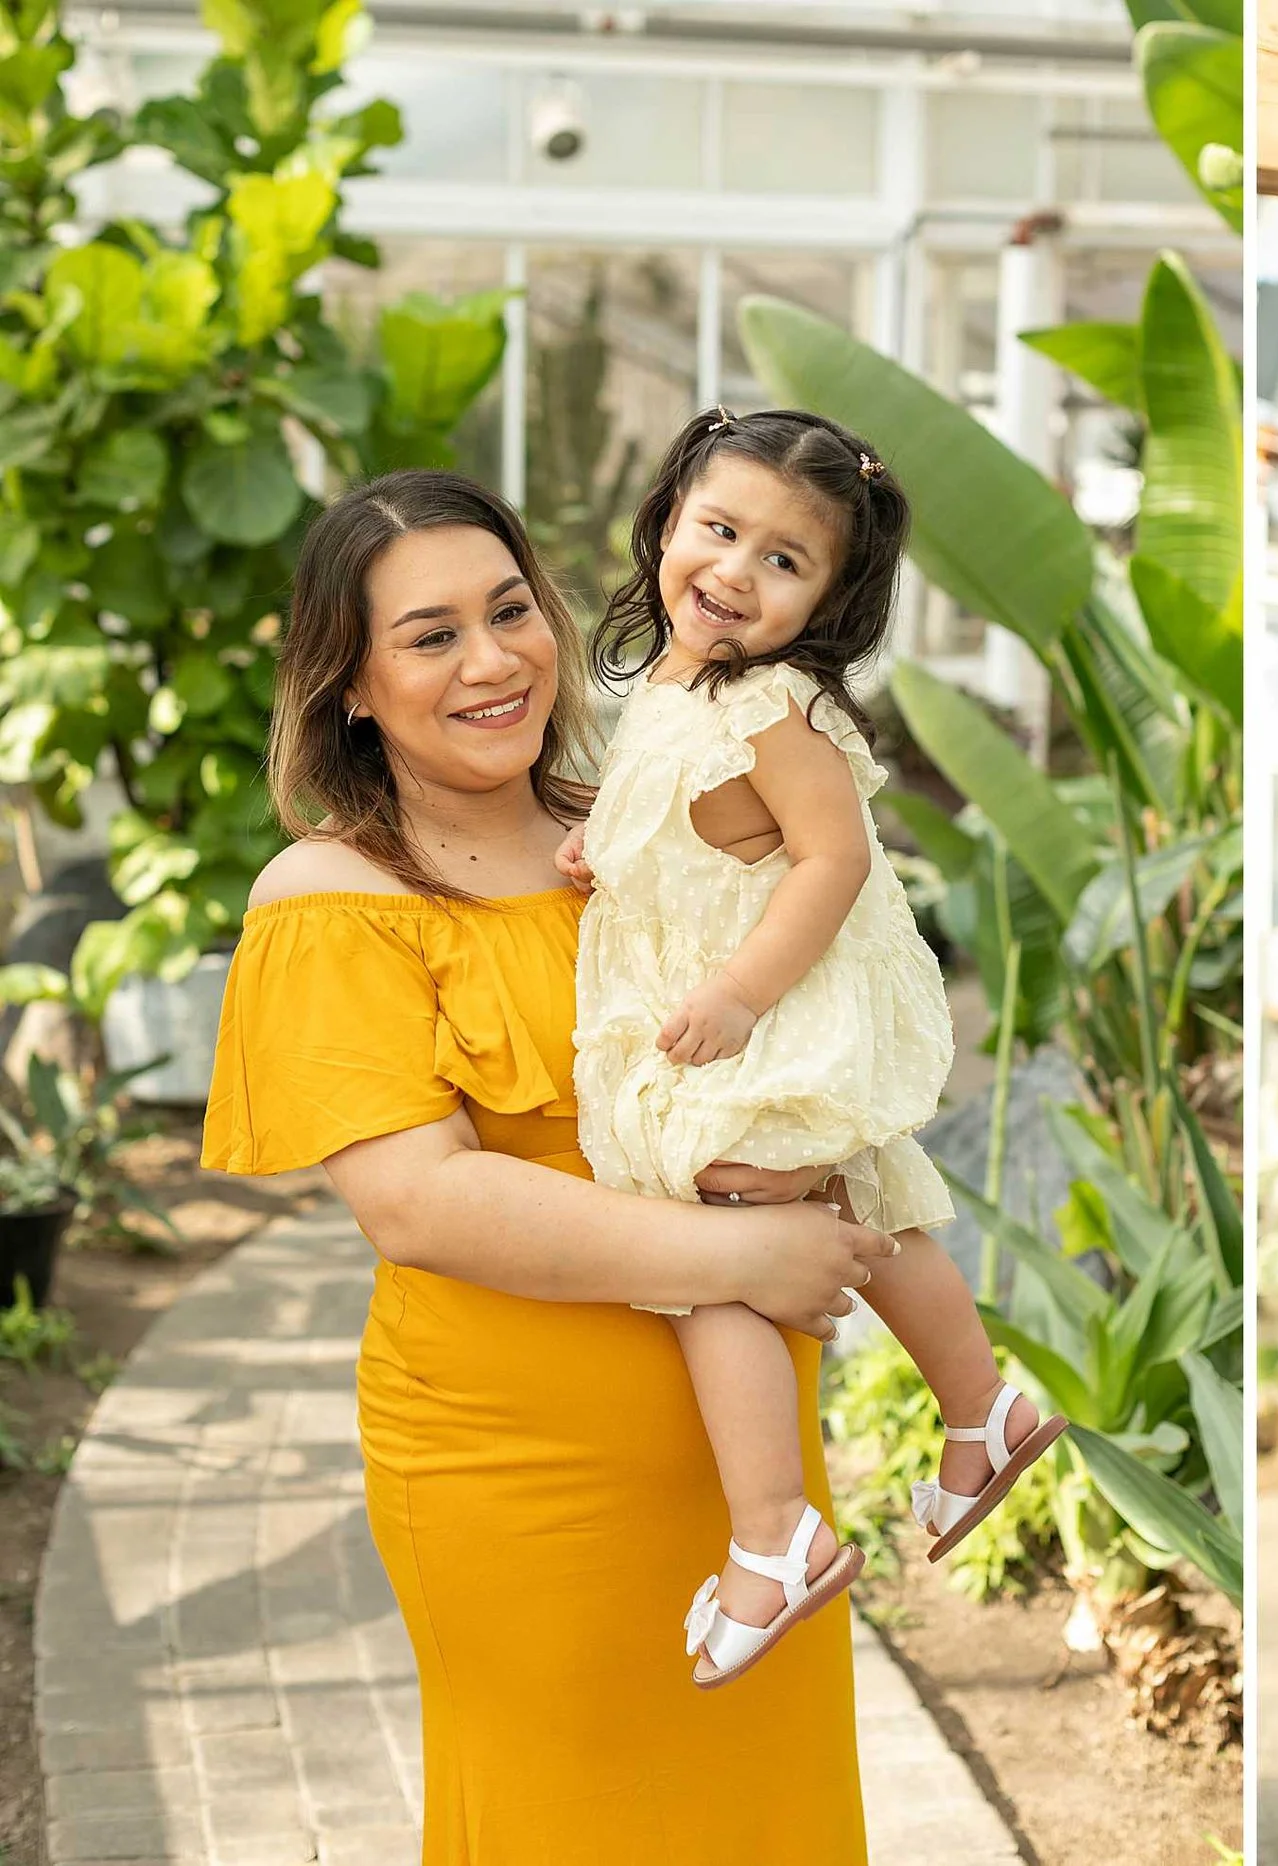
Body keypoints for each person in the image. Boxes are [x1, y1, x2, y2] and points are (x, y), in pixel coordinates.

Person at [202, 470, 895, 1859]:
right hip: (515, 1476)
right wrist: (749, 1253)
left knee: (770, 1820)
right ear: (348, 684)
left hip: (745, 1483)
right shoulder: (332, 899)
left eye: (510, 609)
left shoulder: (637, 827)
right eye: (430, 634)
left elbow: (816, 1005)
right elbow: (419, 1202)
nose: (492, 658)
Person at [558, 407, 1063, 1687]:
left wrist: (735, 993)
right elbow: (686, 821)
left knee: (716, 1241)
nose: (732, 572)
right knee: (860, 1202)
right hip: (728, 1005)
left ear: (829, 600)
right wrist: (602, 850)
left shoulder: (773, 702)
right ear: (670, 518)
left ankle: (773, 1530)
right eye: (718, 531)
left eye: (783, 561)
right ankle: (979, 1410)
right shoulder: (672, 682)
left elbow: (831, 856)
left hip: (767, 1005)